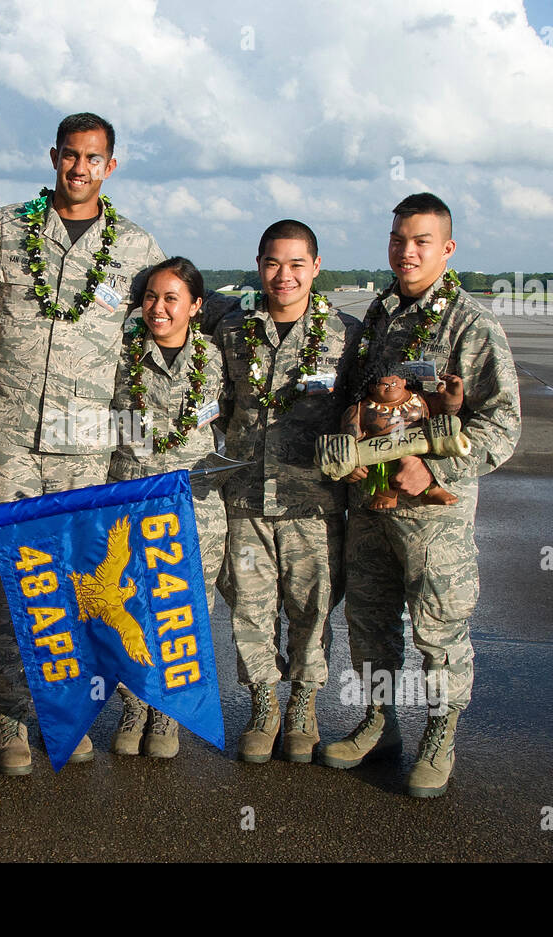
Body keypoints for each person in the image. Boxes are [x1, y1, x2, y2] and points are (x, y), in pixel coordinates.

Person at [0, 112, 165, 774]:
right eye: (71, 155)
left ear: (112, 165)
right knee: (12, 579)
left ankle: (64, 711)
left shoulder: (135, 248)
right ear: (53, 156)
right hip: (11, 442)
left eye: (93, 158)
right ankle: (10, 714)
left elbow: (170, 318)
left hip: (85, 445)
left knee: (76, 582)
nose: (80, 168)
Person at [321, 192, 521, 798]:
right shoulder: (379, 315)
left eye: (421, 242)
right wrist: (351, 447)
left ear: (447, 248)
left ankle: (440, 733)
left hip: (434, 514)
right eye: (398, 240)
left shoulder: (470, 325)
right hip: (371, 507)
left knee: (439, 628)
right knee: (370, 620)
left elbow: (502, 424)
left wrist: (435, 473)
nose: (406, 252)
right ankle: (379, 723)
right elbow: (357, 401)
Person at [214, 220, 361, 764]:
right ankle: (263, 706)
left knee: (312, 610)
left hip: (312, 503)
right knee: (250, 611)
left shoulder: (346, 335)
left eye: (297, 264)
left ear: (316, 267)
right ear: (259, 265)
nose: (284, 275)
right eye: (273, 263)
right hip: (245, 498)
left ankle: (302, 706)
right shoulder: (232, 330)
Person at [106, 256, 228, 758]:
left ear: (196, 306)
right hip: (130, 502)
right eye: (151, 297)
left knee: (182, 612)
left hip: (195, 507)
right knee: (130, 606)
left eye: (172, 298)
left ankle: (167, 712)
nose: (159, 308)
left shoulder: (218, 359)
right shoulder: (119, 353)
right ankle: (135, 704)